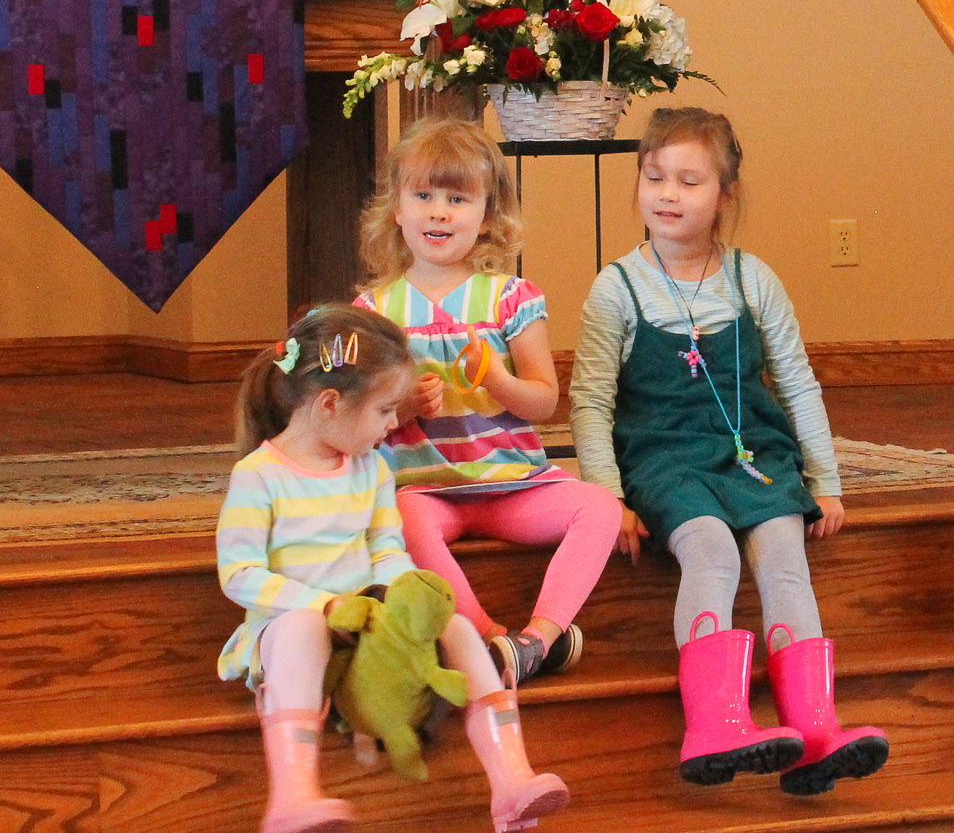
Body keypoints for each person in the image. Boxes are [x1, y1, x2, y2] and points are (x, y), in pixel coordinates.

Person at [569, 107, 888, 795]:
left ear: (726, 194)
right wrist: (606, 497)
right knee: (712, 549)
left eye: (688, 179)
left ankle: (814, 729)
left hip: (751, 451)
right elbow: (590, 401)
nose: (667, 193)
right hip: (665, 458)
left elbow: (798, 381)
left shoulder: (753, 279)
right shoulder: (617, 288)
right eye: (654, 176)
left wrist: (824, 479)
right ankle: (714, 720)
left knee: (782, 552)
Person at [216, 303, 568, 833]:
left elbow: (386, 546)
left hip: (372, 628)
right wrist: (326, 606)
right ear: (330, 404)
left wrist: (396, 597)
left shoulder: (372, 468)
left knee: (456, 627)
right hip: (291, 625)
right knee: (301, 630)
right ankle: (292, 797)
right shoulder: (259, 476)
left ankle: (511, 781)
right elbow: (240, 575)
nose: (392, 426)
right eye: (384, 411)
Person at [355, 118, 624, 687]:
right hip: (425, 490)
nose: (438, 212)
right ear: (396, 209)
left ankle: (537, 639)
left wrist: (498, 381)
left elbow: (544, 402)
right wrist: (399, 411)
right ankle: (485, 636)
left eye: (458, 198)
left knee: (598, 507)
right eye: (422, 196)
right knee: (395, 520)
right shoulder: (375, 310)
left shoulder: (510, 298)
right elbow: (354, 426)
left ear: (487, 215)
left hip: (510, 483)